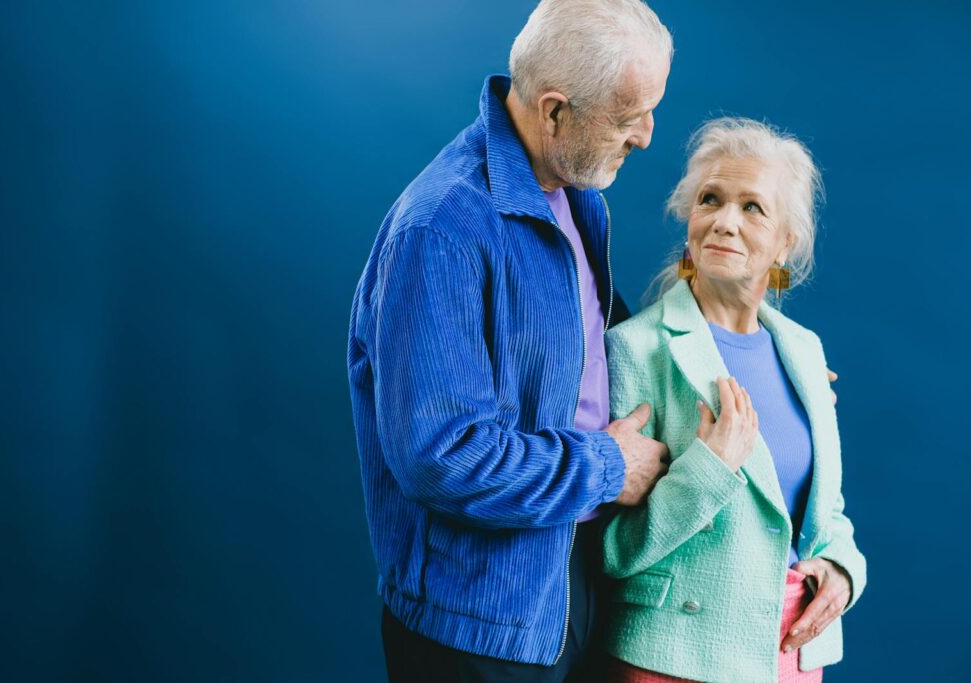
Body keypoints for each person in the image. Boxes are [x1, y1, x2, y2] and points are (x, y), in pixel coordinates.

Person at [347, 1, 674, 680]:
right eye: (626, 115)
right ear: (554, 111)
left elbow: (602, 355)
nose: (645, 136)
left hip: (570, 576)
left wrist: (762, 369)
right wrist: (611, 468)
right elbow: (443, 456)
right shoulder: (440, 231)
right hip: (480, 627)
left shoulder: (575, 188)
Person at [601, 118, 867, 682]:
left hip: (788, 660)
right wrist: (709, 469)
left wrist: (844, 572)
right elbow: (606, 552)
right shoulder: (633, 349)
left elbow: (827, 515)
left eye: (752, 208)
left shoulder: (803, 352)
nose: (724, 222)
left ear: (785, 241)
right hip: (671, 660)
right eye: (710, 199)